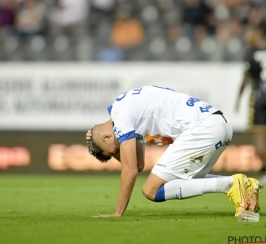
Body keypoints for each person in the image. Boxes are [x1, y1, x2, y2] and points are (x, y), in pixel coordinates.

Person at [86, 85, 263, 217]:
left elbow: (130, 169)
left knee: (151, 190)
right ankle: (245, 189)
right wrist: (96, 135)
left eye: (114, 150)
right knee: (183, 181)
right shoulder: (126, 114)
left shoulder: (121, 116)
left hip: (203, 128)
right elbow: (138, 165)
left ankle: (231, 184)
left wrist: (118, 212)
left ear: (107, 137)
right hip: (220, 125)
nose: (118, 151)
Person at [235, 28, 266, 184]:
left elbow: (246, 79)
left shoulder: (251, 53)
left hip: (259, 98)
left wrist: (238, 100)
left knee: (259, 137)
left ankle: (265, 171)